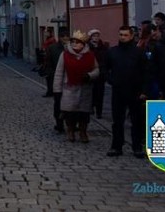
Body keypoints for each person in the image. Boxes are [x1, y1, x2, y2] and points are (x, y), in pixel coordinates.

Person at [102, 26, 146, 158]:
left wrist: (144, 90)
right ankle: (116, 146)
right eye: (121, 34)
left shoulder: (138, 52)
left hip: (135, 91)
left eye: (125, 35)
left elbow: (145, 72)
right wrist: (110, 80)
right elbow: (104, 68)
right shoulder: (112, 52)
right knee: (117, 121)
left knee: (136, 121)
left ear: (131, 36)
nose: (122, 37)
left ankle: (137, 147)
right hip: (118, 90)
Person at [53, 30, 98, 143]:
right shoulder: (65, 55)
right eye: (73, 42)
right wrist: (57, 90)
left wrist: (89, 75)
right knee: (70, 113)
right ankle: (71, 131)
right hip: (69, 88)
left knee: (84, 113)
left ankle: (83, 132)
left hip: (84, 88)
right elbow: (59, 72)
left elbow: (96, 69)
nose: (74, 44)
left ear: (83, 44)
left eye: (77, 42)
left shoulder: (90, 55)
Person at [44, 28, 70, 133]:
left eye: (67, 37)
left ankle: (71, 124)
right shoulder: (52, 48)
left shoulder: (73, 47)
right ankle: (59, 124)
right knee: (58, 103)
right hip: (57, 79)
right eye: (63, 37)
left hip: (70, 80)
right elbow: (48, 63)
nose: (65, 39)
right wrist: (52, 76)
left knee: (71, 103)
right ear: (60, 38)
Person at [87, 29, 109, 119]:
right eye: (94, 36)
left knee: (100, 93)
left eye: (97, 35)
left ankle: (99, 112)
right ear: (91, 37)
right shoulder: (87, 47)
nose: (96, 37)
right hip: (91, 72)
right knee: (91, 92)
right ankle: (91, 107)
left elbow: (106, 58)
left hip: (101, 73)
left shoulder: (103, 46)